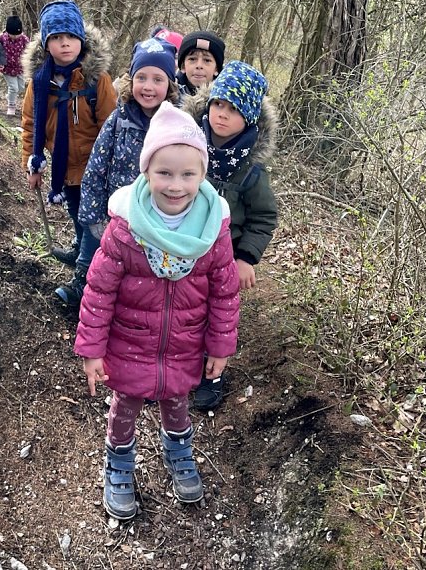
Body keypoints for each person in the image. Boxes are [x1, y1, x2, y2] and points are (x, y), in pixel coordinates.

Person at [74, 102, 240, 520]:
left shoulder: (212, 228)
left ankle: (178, 450)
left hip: (185, 340)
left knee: (177, 399)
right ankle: (119, 461)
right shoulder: (126, 226)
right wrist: (92, 348)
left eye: (188, 174)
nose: (176, 185)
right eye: (164, 172)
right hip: (130, 338)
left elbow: (224, 291)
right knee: (126, 400)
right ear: (146, 172)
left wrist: (220, 345)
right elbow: (99, 289)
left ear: (203, 175)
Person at [183, 60, 278, 411]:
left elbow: (263, 217)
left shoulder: (251, 171)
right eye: (219, 104)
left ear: (249, 119)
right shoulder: (186, 144)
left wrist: (246, 257)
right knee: (181, 309)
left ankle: (213, 373)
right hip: (183, 248)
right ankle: (173, 365)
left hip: (225, 256)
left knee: (219, 315)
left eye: (234, 109)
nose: (222, 114)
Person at [71, 37, 178, 307]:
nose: (149, 87)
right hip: (114, 211)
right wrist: (93, 214)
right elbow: (96, 167)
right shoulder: (119, 119)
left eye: (158, 79)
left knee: (135, 269)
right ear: (131, 81)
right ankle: (80, 291)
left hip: (154, 217)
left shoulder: (178, 125)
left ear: (170, 84)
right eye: (141, 78)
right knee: (95, 257)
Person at [22, 0, 116, 289]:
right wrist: (31, 161)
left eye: (71, 37)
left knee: (93, 221)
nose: (65, 44)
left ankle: (84, 278)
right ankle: (80, 250)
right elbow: (29, 124)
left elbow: (110, 125)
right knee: (76, 212)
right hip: (65, 169)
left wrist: (109, 166)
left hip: (94, 168)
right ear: (46, 43)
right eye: (57, 38)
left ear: (81, 40)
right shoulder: (39, 83)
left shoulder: (96, 80)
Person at [176, 30, 225, 98]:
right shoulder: (168, 93)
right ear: (183, 66)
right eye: (192, 59)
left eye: (207, 60)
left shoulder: (223, 100)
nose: (199, 65)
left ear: (216, 69)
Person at [0, 12, 30, 116]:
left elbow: (29, 51)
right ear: (8, 32)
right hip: (7, 68)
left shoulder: (24, 39)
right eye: (13, 34)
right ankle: (11, 106)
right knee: (13, 88)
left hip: (20, 68)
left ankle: (10, 96)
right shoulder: (2, 38)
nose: (16, 36)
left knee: (20, 88)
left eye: (18, 34)